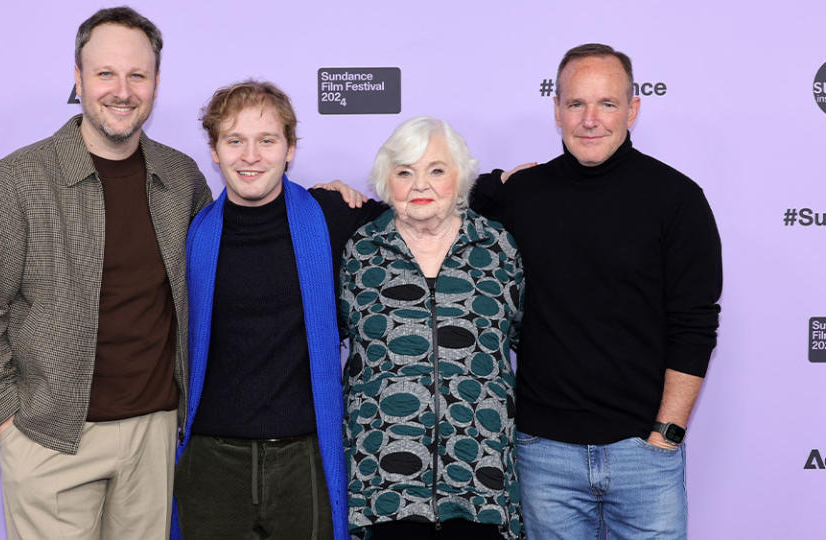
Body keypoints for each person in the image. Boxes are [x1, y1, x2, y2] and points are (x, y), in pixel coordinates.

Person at [0, 7, 212, 539]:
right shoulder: (22, 177)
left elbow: (229, 252)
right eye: (105, 74)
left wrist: (326, 201)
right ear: (78, 79)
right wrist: (7, 415)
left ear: (156, 84)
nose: (122, 90)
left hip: (153, 435)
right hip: (49, 436)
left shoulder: (180, 177)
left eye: (137, 75)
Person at [470, 43, 723, 539]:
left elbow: (695, 325)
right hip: (544, 455)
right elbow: (435, 203)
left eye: (607, 104)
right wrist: (497, 180)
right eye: (576, 104)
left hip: (644, 454)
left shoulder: (678, 199)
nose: (590, 119)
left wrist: (666, 436)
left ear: (633, 109)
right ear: (557, 110)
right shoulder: (523, 195)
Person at [173, 80, 387, 540]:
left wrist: (506, 185)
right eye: (235, 141)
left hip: (304, 458)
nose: (251, 156)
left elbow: (422, 209)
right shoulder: (190, 233)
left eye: (267, 141)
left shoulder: (330, 214)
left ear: (290, 149)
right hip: (211, 460)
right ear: (215, 151)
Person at [339, 116, 525, 539]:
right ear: (387, 183)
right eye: (405, 172)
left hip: (480, 478)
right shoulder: (361, 252)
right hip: (384, 483)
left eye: (436, 170)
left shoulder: (498, 249)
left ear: (461, 179)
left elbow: (524, 340)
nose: (420, 185)